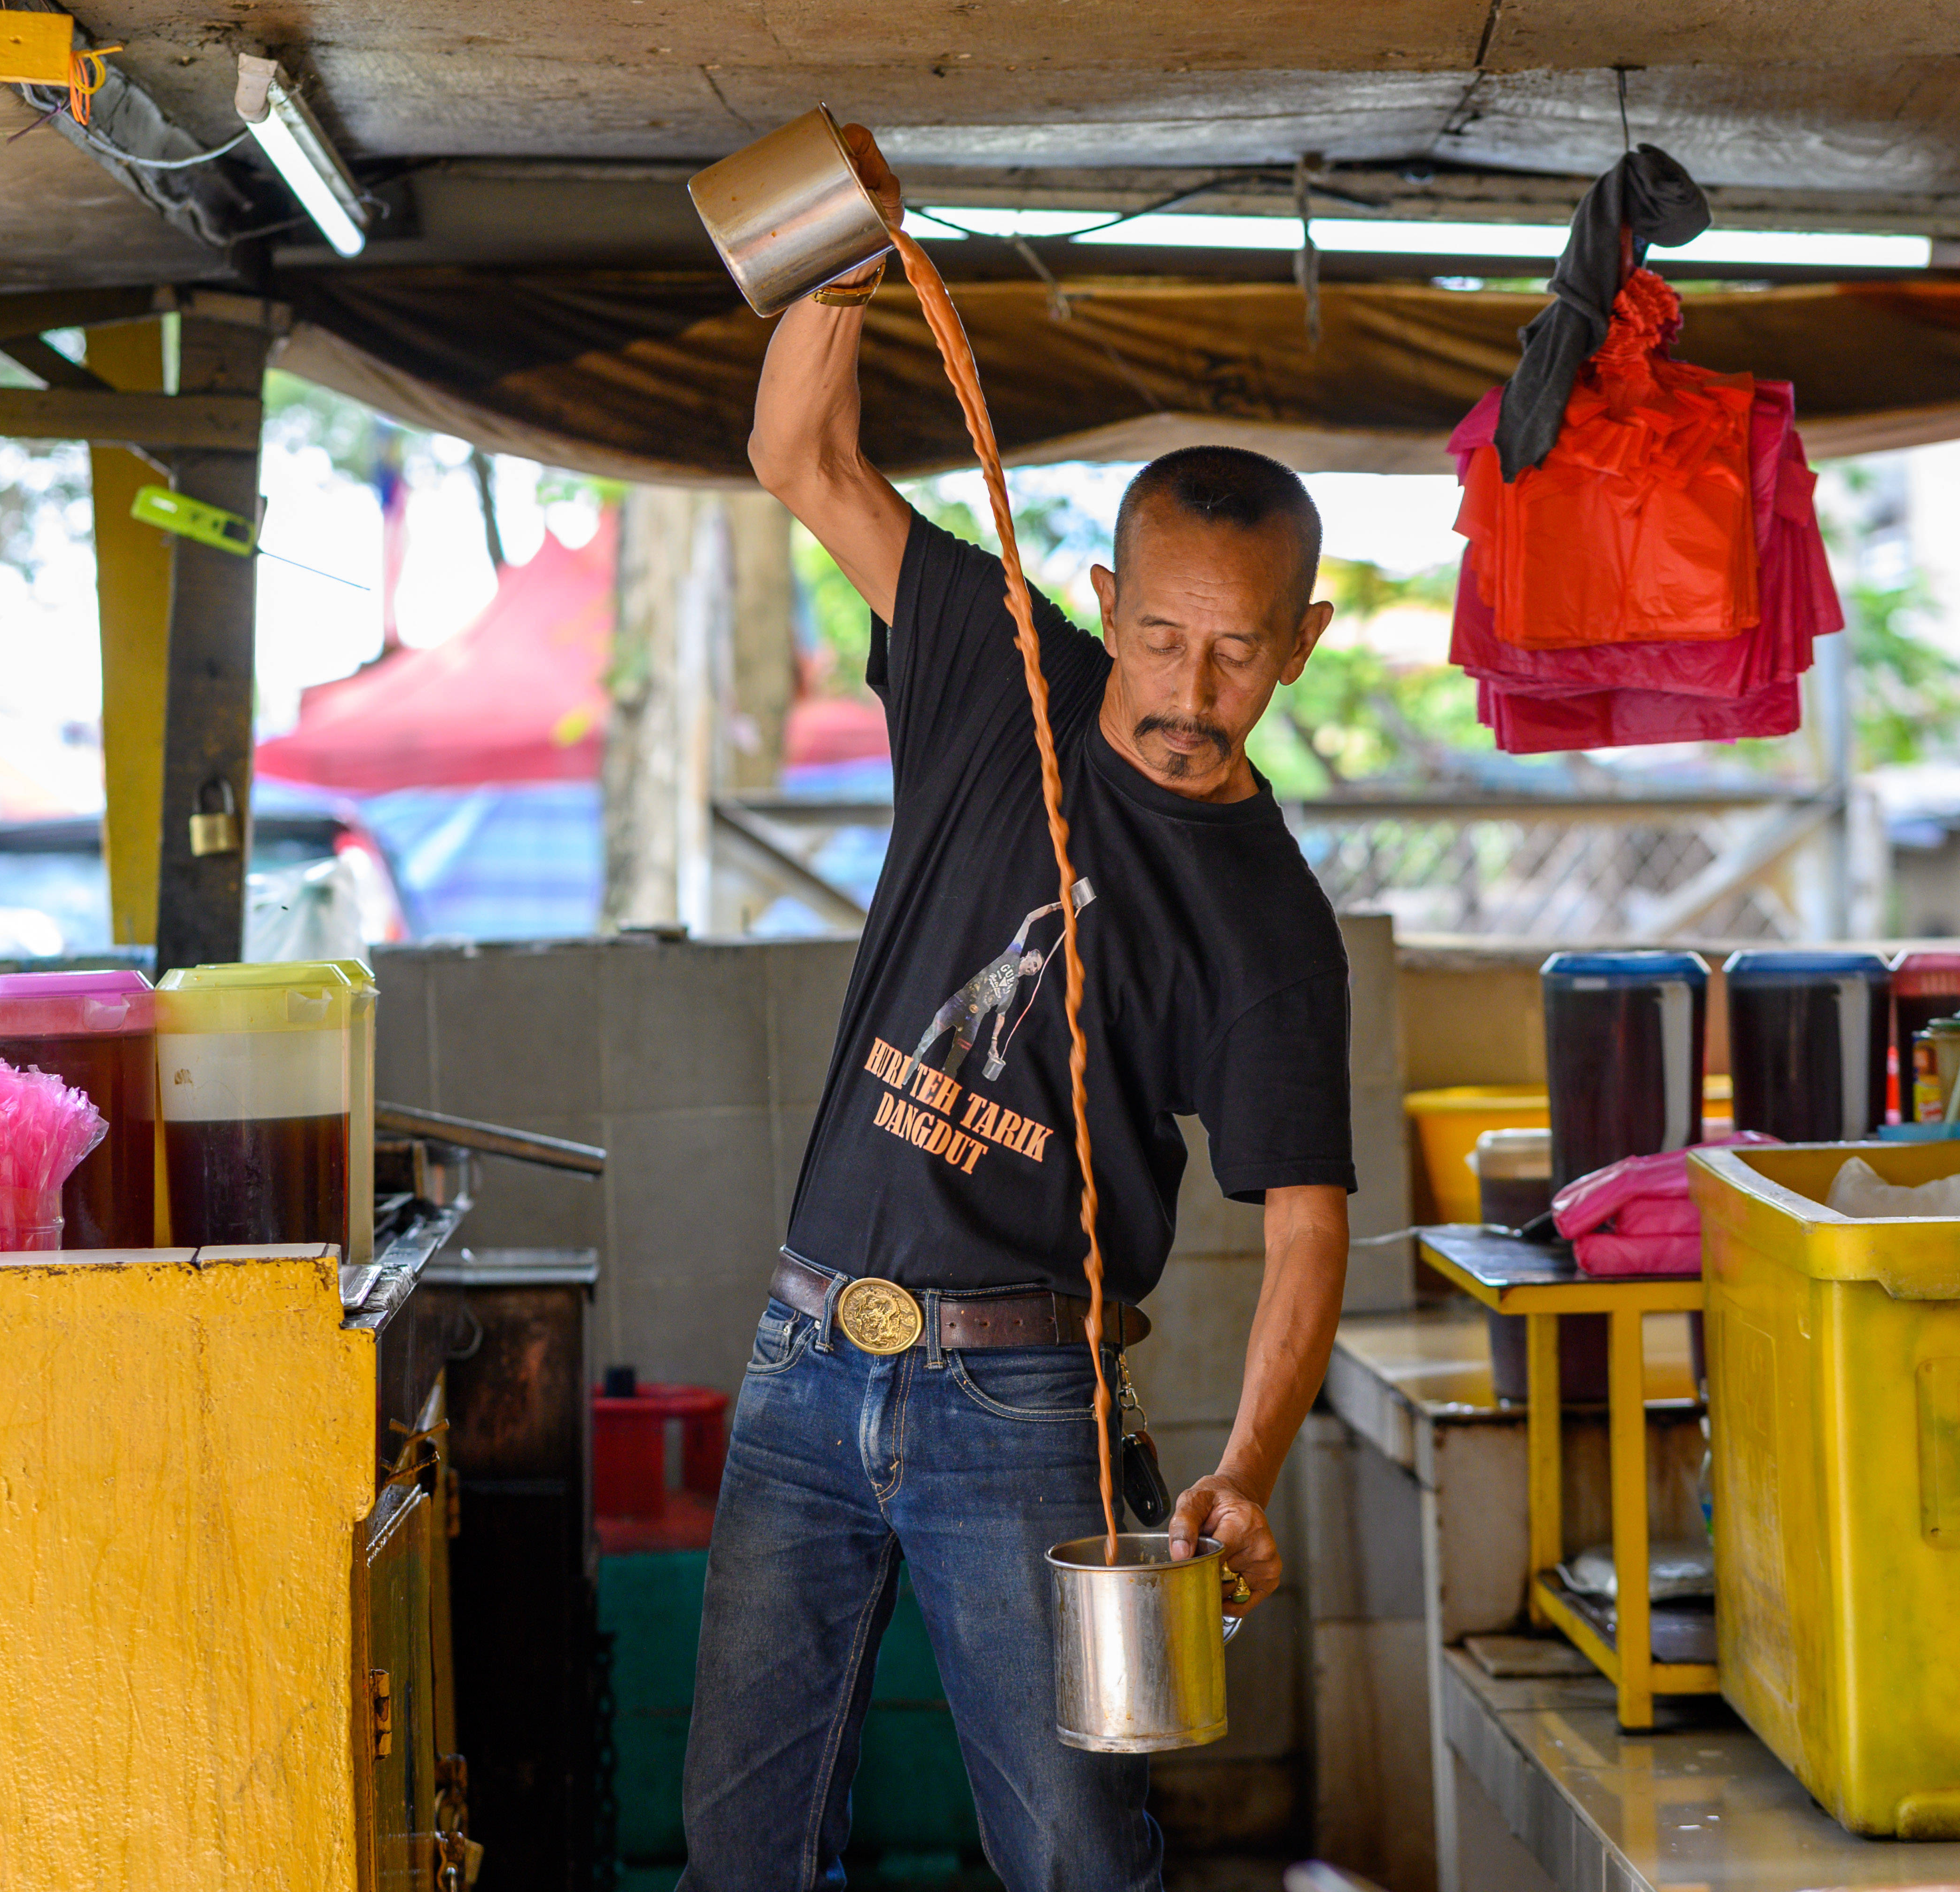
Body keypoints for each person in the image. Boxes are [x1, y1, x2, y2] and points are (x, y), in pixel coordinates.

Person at [679, 126, 1355, 1892]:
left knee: (1069, 1849)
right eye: (1160, 637)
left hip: (1024, 1403)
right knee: (739, 1841)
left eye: (1239, 652)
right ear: (1108, 601)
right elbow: (794, 454)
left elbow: (1303, 1228)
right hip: (807, 1351)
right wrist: (843, 250)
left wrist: (1250, 1465)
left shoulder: (1270, 924)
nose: (1189, 693)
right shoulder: (998, 667)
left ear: (1304, 641)